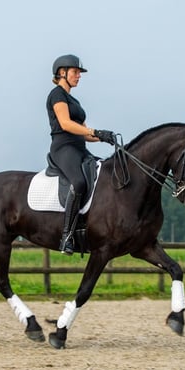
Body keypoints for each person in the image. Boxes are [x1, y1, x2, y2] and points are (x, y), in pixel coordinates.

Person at [46, 54, 115, 255]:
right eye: (76, 72)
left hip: (79, 148)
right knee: (79, 182)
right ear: (62, 73)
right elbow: (66, 124)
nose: (79, 76)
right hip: (63, 148)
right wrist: (93, 132)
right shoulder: (56, 95)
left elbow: (84, 132)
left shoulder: (73, 99)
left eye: (79, 73)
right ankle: (67, 235)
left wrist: (103, 136)